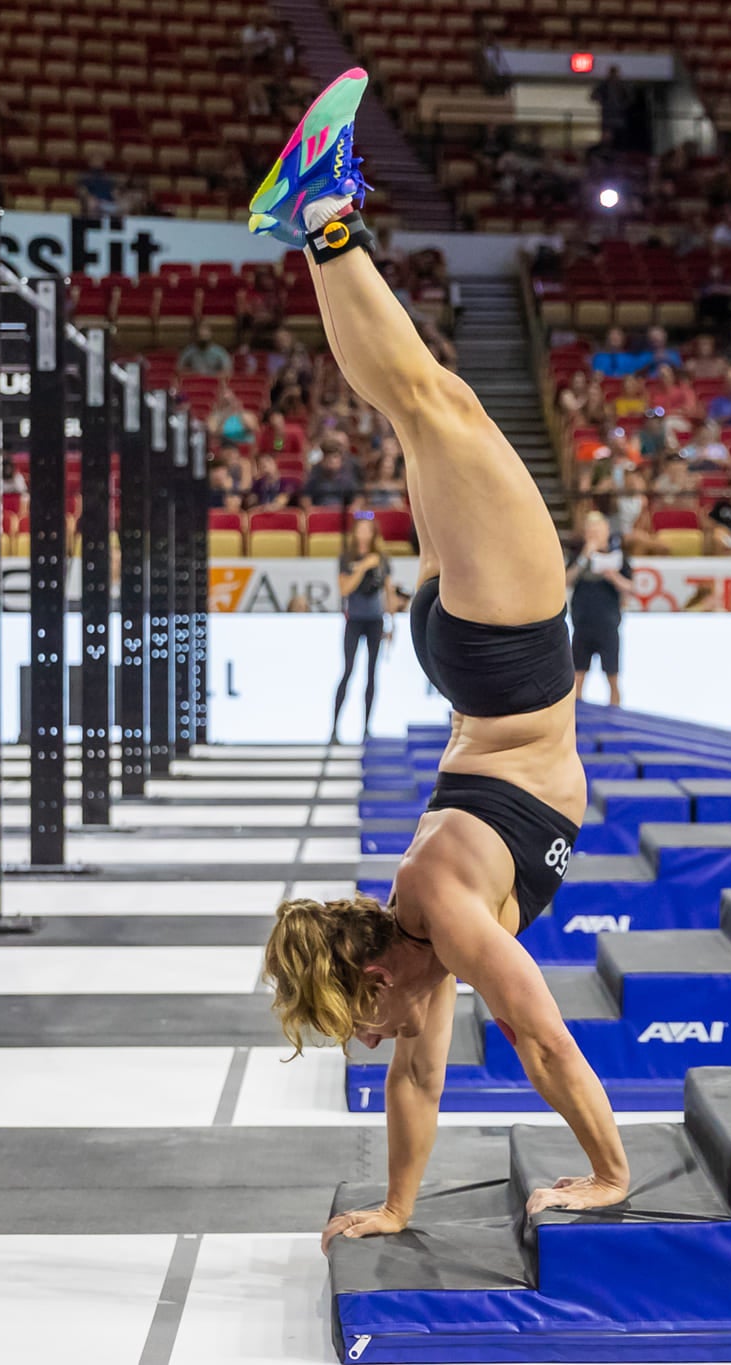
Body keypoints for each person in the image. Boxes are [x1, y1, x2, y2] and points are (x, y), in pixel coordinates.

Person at [249, 71, 632, 1242]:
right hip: (470, 662)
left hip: (503, 664)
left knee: (434, 408)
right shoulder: (424, 941)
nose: (372, 1043)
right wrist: (394, 1207)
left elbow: (540, 1039)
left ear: (373, 975)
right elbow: (423, 1082)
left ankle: (323, 219)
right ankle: (316, 224)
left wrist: (607, 1172)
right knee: (421, 410)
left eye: (357, 1027)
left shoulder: (440, 915)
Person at [332, 514, 396, 741]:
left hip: (375, 620)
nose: (364, 534)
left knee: (372, 673)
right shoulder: (347, 558)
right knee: (348, 670)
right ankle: (334, 728)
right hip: (355, 620)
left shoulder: (382, 559)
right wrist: (362, 567)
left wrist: (392, 621)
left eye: (368, 529)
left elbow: (388, 591)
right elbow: (344, 589)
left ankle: (367, 728)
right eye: (361, 529)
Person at [566, 510, 633, 705]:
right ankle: (579, 715)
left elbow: (630, 587)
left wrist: (614, 577)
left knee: (612, 677)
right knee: (578, 676)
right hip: (582, 624)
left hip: (608, 624)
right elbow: (566, 580)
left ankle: (615, 713)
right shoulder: (577, 555)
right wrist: (584, 557)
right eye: (590, 529)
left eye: (598, 529)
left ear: (607, 531)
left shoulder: (618, 557)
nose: (594, 533)